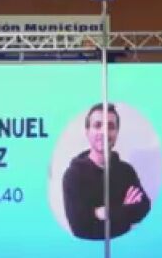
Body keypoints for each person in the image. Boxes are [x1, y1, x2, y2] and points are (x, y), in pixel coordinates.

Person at [62, 102, 151, 240]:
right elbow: (80, 228)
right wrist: (124, 209)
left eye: (111, 126)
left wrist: (101, 213)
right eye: (97, 125)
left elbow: (143, 209)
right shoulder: (73, 175)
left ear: (117, 133)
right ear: (87, 132)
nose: (104, 132)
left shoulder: (126, 171)